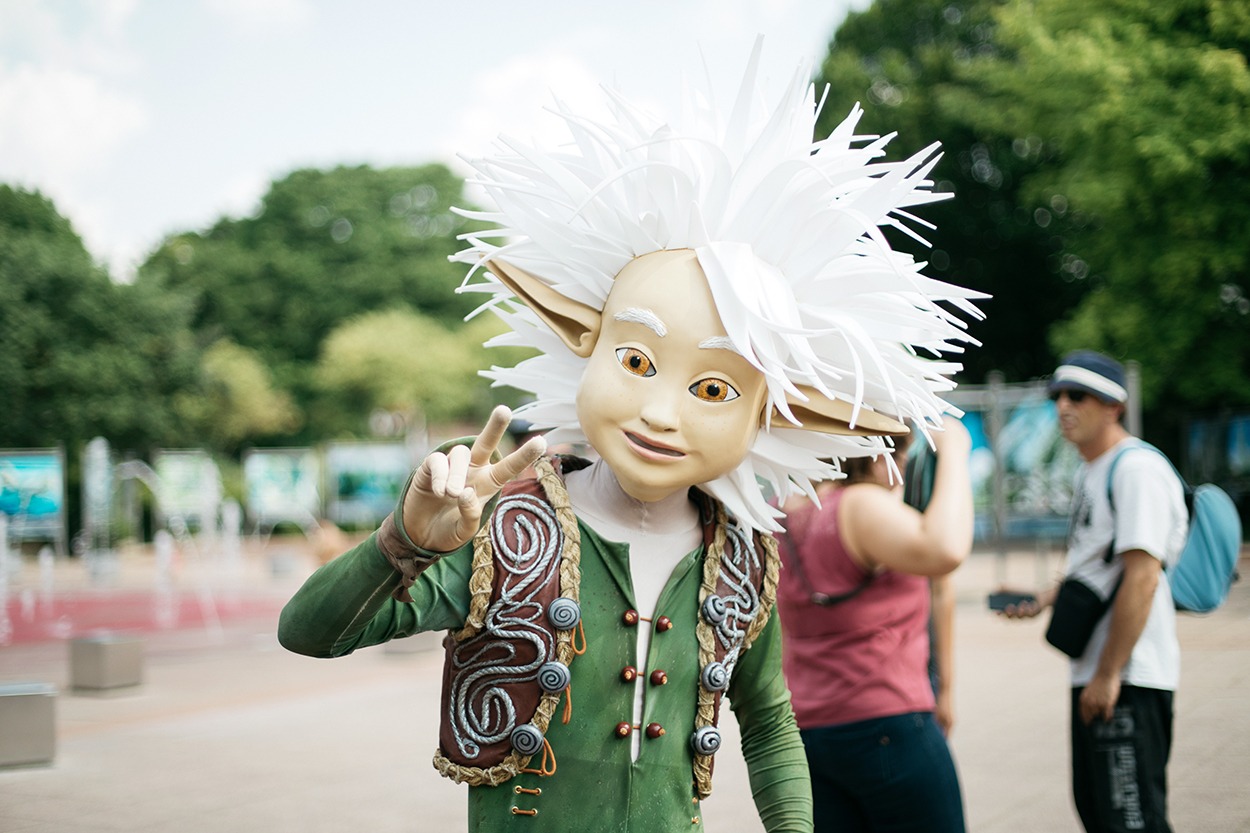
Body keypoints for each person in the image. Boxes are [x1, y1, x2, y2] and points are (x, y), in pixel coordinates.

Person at [277, 41, 981, 833]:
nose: (660, 413)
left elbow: (770, 720)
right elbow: (306, 633)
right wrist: (402, 541)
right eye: (637, 360)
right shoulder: (509, 531)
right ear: (588, 339)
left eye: (712, 389)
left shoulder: (742, 555)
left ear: (768, 415)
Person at [1000, 350, 1186, 833]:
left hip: (1128, 676)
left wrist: (1109, 672)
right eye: (1058, 396)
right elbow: (1096, 564)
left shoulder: (1135, 469)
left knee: (1131, 816)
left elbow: (1142, 576)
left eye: (1078, 396)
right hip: (1099, 673)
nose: (1063, 406)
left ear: (1114, 405)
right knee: (1099, 810)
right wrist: (1045, 597)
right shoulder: (1091, 471)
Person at [774, 417, 973, 832]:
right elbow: (946, 548)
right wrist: (954, 449)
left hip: (810, 728)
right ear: (877, 452)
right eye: (899, 449)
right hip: (886, 721)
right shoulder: (859, 505)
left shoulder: (783, 510)